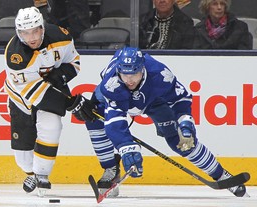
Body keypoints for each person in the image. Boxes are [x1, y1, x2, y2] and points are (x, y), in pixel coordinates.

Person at [72, 46, 248, 197]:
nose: (129, 80)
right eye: (125, 75)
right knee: (93, 118)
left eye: (134, 74)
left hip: (153, 99)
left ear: (143, 69)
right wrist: (127, 149)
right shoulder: (112, 84)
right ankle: (111, 170)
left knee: (181, 141)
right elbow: (115, 122)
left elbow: (181, 99)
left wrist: (185, 124)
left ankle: (222, 175)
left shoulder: (161, 75)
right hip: (116, 98)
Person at [4, 6, 93, 195]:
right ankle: (30, 172)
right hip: (21, 97)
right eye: (25, 33)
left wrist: (57, 78)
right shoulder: (15, 56)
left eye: (35, 30)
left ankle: (42, 175)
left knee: (52, 126)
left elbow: (74, 63)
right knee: (22, 155)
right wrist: (69, 102)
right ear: (18, 32)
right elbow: (34, 92)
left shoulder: (61, 37)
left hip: (50, 88)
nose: (32, 38)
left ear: (42, 27)